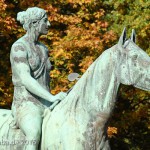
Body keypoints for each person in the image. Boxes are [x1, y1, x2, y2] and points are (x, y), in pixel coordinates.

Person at [10, 7, 67, 150]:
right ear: (35, 23)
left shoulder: (43, 48)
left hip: (47, 103)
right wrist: (52, 97)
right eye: (45, 21)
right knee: (34, 133)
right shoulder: (19, 47)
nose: (49, 24)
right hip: (26, 103)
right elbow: (25, 79)